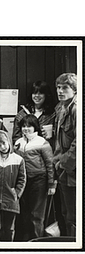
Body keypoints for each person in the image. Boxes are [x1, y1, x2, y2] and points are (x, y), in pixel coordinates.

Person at [14, 114, 55, 241]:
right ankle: (26, 241)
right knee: (24, 212)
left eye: (29, 126)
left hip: (39, 180)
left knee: (36, 214)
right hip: (23, 181)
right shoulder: (18, 142)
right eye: (24, 126)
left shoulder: (42, 142)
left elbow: (50, 164)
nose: (26, 129)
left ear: (35, 127)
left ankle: (38, 241)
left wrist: (51, 184)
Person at [0, 130, 26, 241]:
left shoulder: (18, 159)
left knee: (10, 229)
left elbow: (22, 179)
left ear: (9, 142)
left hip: (11, 199)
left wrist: (16, 194)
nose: (3, 147)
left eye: (4, 143)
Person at [52, 73, 77, 237]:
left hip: (73, 172)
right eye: (58, 88)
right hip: (63, 172)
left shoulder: (76, 109)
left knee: (74, 216)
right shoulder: (61, 108)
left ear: (74, 90)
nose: (60, 91)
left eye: (65, 88)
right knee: (66, 214)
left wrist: (63, 162)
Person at [12, 81, 56, 145]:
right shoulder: (22, 114)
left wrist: (51, 133)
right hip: (26, 150)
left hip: (45, 149)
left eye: (40, 93)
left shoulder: (52, 114)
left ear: (46, 95)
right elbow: (16, 137)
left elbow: (58, 136)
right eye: (34, 93)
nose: (37, 96)